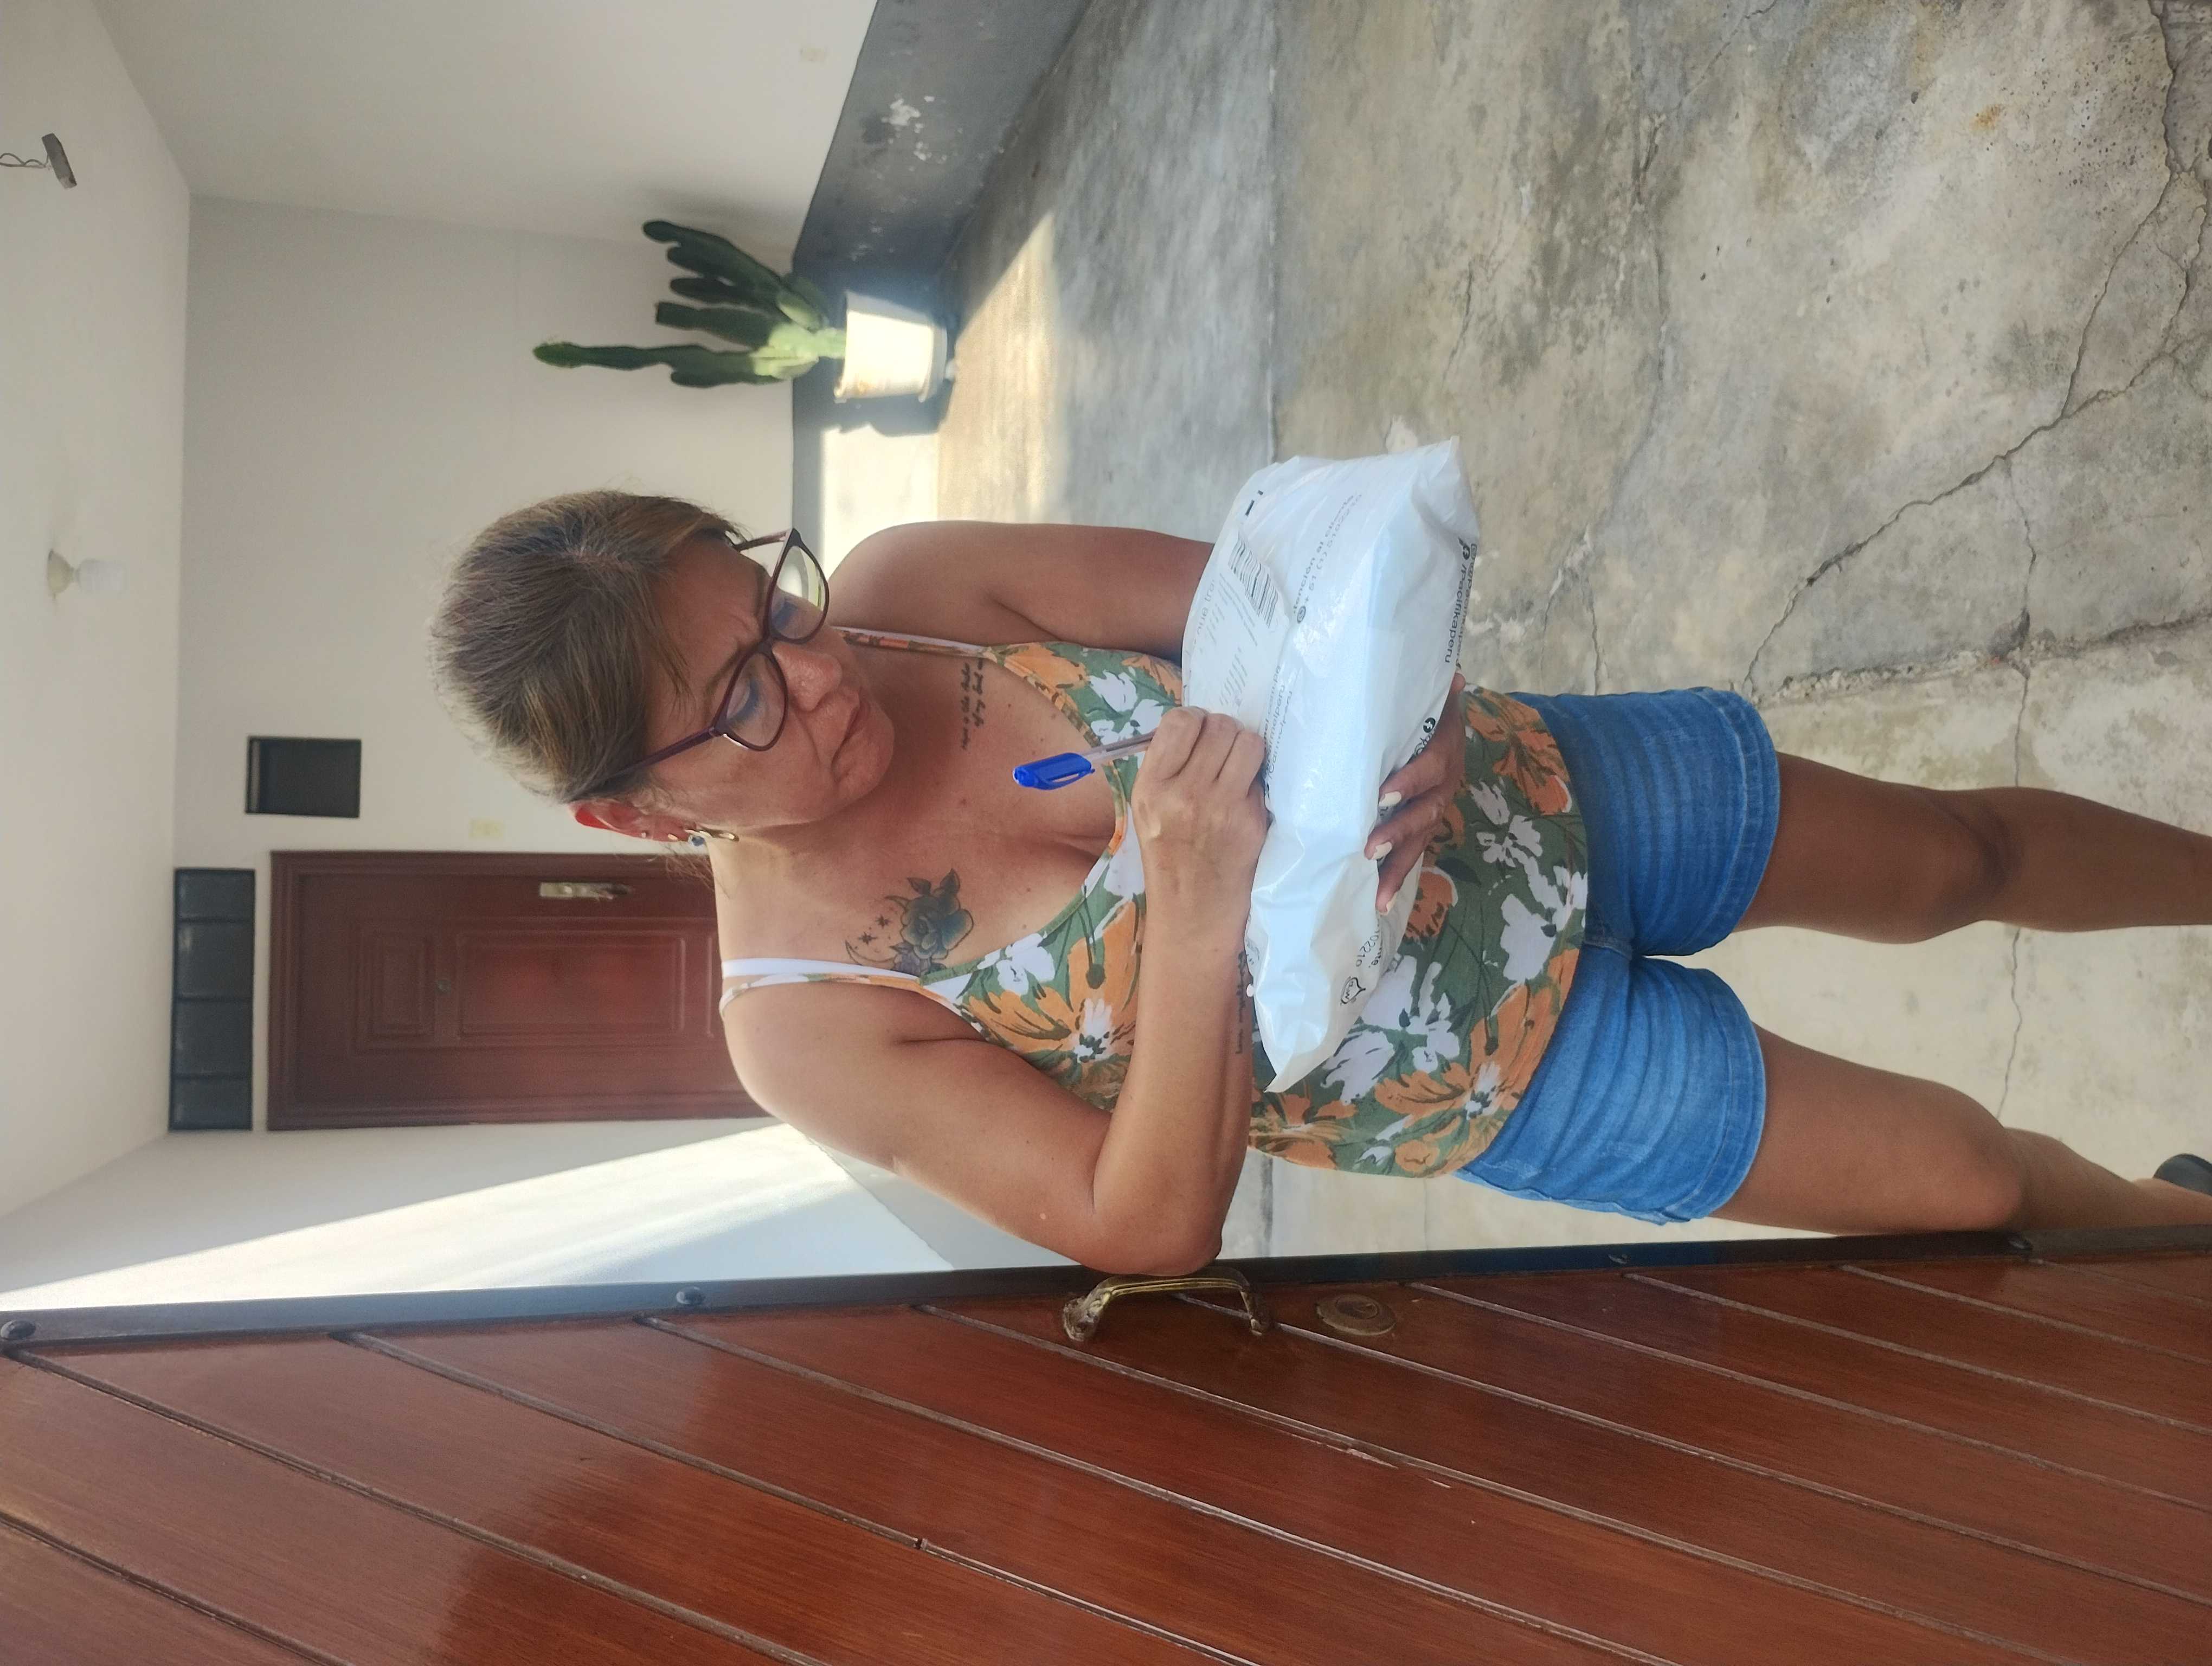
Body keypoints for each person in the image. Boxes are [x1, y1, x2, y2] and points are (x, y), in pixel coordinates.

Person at [430, 491, 2212, 1273]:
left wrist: (1412, 708)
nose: (820, 678)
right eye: (742, 701)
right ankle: (2178, 1228)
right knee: (1973, 1184)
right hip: (1497, 1073)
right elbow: (1140, 1225)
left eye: (779, 609)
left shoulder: (919, 590)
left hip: (1534, 790)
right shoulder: (809, 1019)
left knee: (1956, 857)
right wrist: (1197, 911)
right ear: (636, 821)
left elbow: (1286, 599)